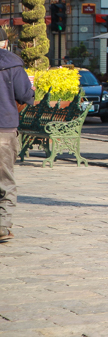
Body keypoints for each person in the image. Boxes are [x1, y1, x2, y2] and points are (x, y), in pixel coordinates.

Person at [0, 29, 34, 243]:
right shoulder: (12, 63)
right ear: (4, 43)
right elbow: (24, 94)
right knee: (5, 180)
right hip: (4, 128)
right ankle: (2, 226)